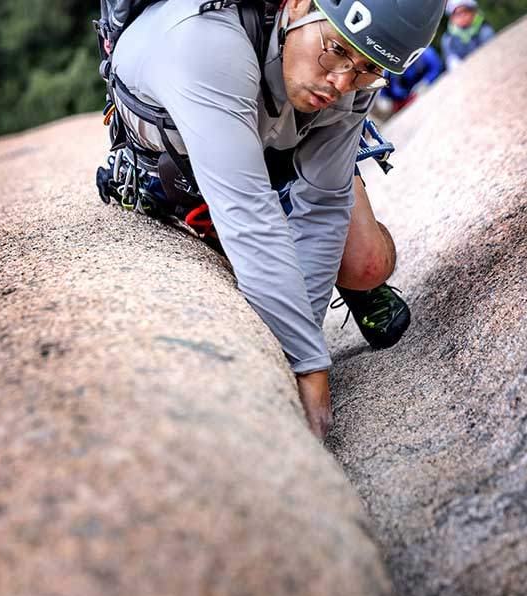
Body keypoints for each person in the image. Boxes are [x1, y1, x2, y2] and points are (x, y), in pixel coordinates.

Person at [104, 0, 446, 441]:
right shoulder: (202, 41)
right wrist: (308, 364)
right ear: (299, 5)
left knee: (366, 264)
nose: (343, 82)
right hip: (190, 147)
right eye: (337, 51)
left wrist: (306, 347)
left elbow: (323, 201)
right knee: (257, 253)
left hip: (277, 132)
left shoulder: (351, 64)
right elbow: (248, 215)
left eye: (367, 69)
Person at [377, 46, 443, 116]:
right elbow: (383, 85)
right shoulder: (389, 67)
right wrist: (383, 97)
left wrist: (426, 82)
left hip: (422, 96)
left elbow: (436, 66)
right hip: (400, 105)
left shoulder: (424, 53)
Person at [441, 0, 495, 71]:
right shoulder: (447, 39)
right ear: (452, 18)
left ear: (473, 12)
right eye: (457, 14)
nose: (462, 16)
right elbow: (451, 62)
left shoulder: (484, 29)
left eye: (465, 11)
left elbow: (492, 53)